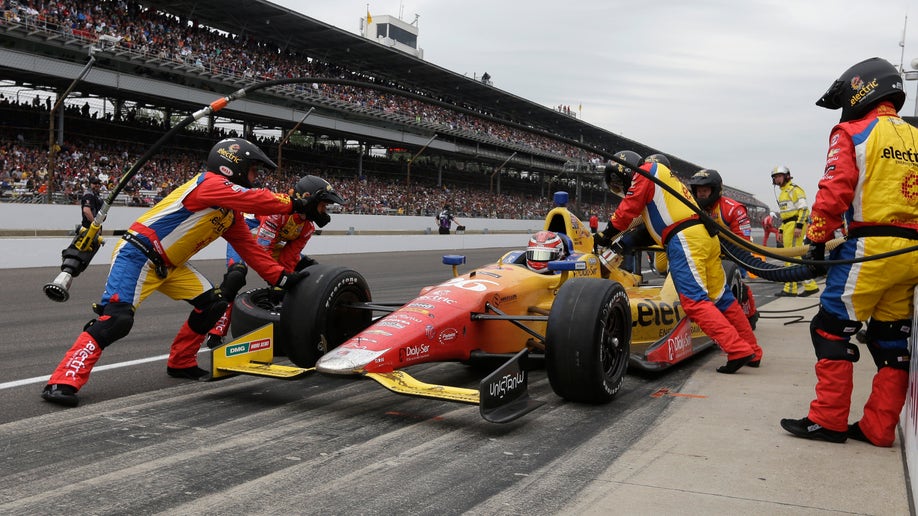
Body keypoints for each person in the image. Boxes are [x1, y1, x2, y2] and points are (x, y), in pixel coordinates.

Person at [41, 138, 318, 407]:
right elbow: (255, 200)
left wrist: (282, 278)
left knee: (213, 305)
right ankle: (62, 380)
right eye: (253, 170)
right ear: (232, 166)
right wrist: (294, 204)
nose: (255, 178)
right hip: (138, 254)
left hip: (171, 265)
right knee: (116, 320)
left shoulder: (230, 214)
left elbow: (250, 249)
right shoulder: (209, 184)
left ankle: (181, 362)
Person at [781, 57, 918, 446]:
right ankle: (878, 429)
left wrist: (818, 240)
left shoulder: (853, 131)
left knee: (828, 329)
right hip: (913, 256)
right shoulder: (917, 136)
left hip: (870, 249)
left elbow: (834, 189)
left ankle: (828, 421)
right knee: (891, 343)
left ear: (863, 90)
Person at [595, 151, 762, 373]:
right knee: (722, 298)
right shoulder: (662, 182)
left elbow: (627, 210)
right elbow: (643, 227)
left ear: (626, 171)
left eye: (618, 182)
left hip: (685, 238)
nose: (619, 188)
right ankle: (753, 350)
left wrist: (604, 236)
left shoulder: (645, 173)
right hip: (704, 237)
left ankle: (737, 350)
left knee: (693, 302)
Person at [205, 175, 346, 347]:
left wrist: (283, 283)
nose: (324, 211)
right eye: (323, 205)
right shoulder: (279, 211)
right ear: (308, 198)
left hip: (268, 243)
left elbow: (289, 257)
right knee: (235, 278)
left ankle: (299, 318)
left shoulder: (307, 228)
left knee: (308, 269)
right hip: (244, 238)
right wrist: (277, 280)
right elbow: (261, 250)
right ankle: (216, 332)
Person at [688, 168, 758, 329]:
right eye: (698, 191)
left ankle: (749, 314)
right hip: (703, 252)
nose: (701, 195)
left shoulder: (733, 208)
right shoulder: (690, 206)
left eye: (705, 190)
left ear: (715, 190)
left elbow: (743, 241)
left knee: (733, 282)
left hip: (732, 254)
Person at [771, 165, 819, 297]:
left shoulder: (794, 190)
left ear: (786, 176)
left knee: (793, 256)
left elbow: (804, 209)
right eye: (775, 177)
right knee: (791, 256)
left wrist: (798, 225)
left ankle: (797, 287)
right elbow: (785, 215)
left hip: (794, 225)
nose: (777, 179)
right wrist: (780, 230)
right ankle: (804, 286)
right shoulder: (782, 194)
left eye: (779, 176)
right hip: (787, 226)